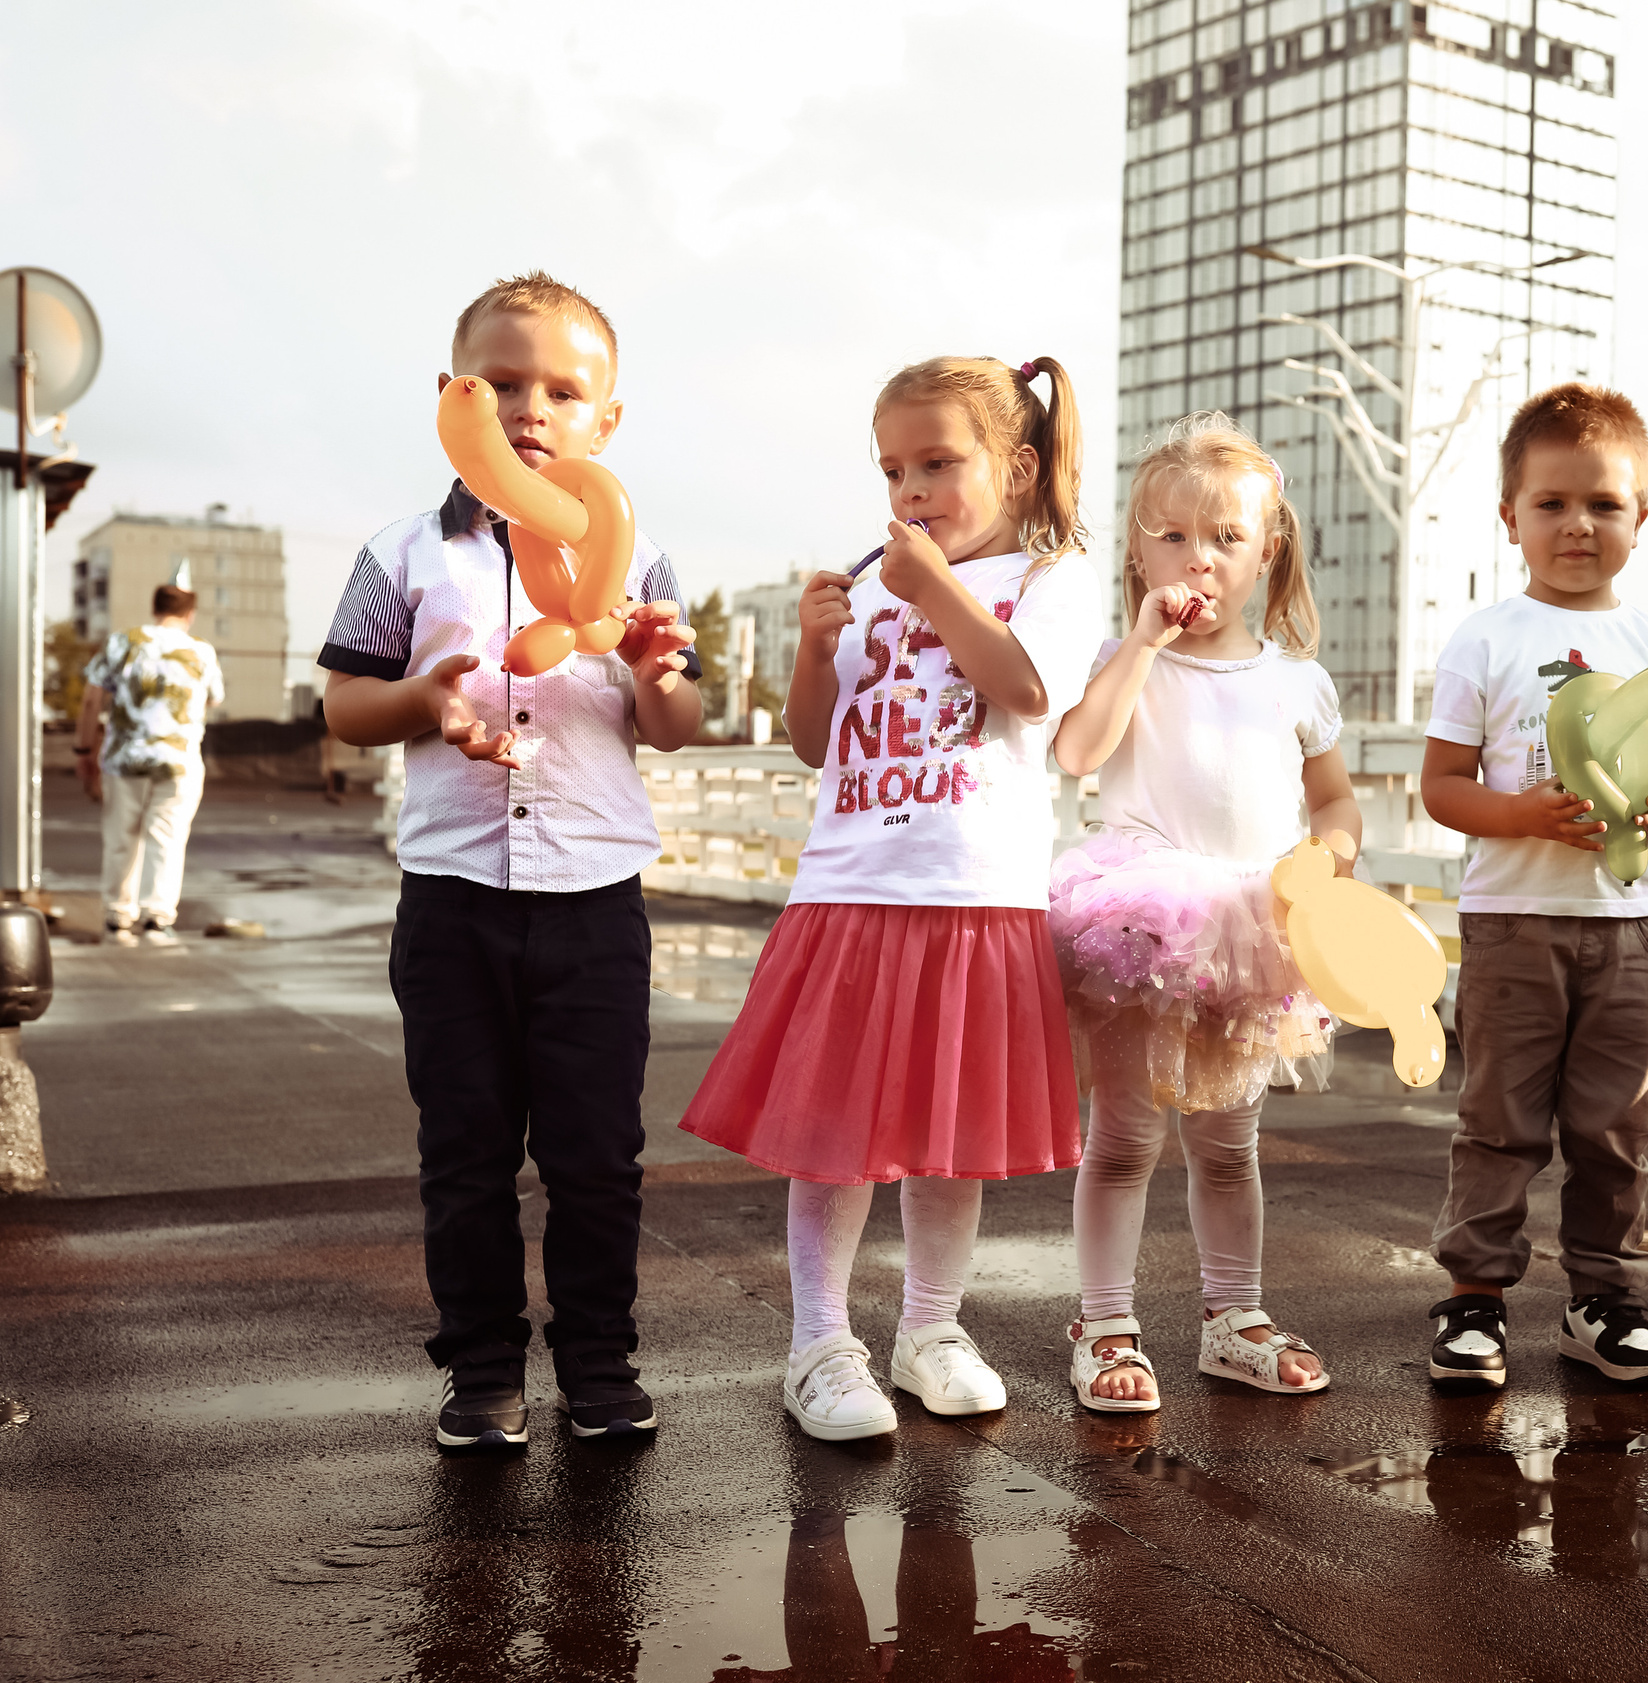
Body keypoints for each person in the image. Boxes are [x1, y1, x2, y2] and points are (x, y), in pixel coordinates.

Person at [681, 356, 1103, 1442]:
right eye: (892, 470)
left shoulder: (1052, 579)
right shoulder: (874, 587)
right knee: (831, 1133)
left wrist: (934, 591)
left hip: (979, 896)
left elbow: (1029, 691)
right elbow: (812, 740)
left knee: (946, 1135)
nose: (910, 490)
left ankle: (931, 1327)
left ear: (1017, 468)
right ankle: (819, 1343)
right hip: (853, 887)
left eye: (937, 463)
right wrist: (815, 647)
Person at [320, 272, 704, 1451]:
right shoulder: (401, 553)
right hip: (453, 902)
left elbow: (676, 723)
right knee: (466, 1152)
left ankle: (598, 1361)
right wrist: (423, 700)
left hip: (594, 902)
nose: (533, 407)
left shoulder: (641, 560)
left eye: (564, 390)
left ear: (607, 418)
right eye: (501, 383)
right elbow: (345, 705)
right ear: (454, 396)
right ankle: (482, 1367)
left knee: (597, 1156)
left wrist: (655, 667)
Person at [1416, 383, 1648, 1389]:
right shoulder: (1485, 639)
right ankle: (1474, 1296)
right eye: (1551, 503)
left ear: (1642, 517)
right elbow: (1442, 786)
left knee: (1614, 1124)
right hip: (1513, 919)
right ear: (1510, 517)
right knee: (1498, 1119)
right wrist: (1525, 814)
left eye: (1603, 503)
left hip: (1635, 926)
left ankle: (1604, 1299)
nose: (1578, 524)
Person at [1045, 413, 1358, 1412]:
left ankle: (1235, 1316)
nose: (1200, 558)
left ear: (1267, 552)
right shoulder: (1123, 656)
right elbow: (1076, 752)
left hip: (1252, 922)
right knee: (1124, 1138)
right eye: (1173, 536)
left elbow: (1335, 801)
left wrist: (1331, 853)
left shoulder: (1296, 680)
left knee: (1229, 1144)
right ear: (1139, 554)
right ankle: (1104, 1322)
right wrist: (1144, 639)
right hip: (1140, 920)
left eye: (1226, 537)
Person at [77, 584, 224, 944]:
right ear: (190, 614)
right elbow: (214, 699)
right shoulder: (202, 651)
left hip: (124, 759)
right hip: (179, 762)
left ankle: (117, 917)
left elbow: (91, 699)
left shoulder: (122, 642)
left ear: (154, 607)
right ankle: (157, 919)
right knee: (167, 838)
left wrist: (83, 750)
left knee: (121, 836)